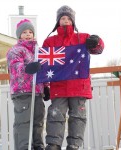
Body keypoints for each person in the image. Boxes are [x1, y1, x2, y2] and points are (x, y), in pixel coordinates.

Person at [42, 5, 104, 150]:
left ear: (73, 21)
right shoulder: (50, 42)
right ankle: (53, 145)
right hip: (59, 87)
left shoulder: (83, 38)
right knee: (55, 116)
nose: (66, 21)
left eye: (68, 18)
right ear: (58, 21)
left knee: (78, 117)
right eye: (63, 18)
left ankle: (74, 145)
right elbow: (44, 65)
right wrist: (45, 86)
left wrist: (97, 42)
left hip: (79, 86)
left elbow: (98, 49)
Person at [6, 19, 46, 150]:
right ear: (19, 35)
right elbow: (15, 67)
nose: (28, 34)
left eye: (30, 32)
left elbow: (43, 71)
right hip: (22, 92)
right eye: (24, 32)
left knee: (38, 121)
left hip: (37, 91)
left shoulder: (37, 51)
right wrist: (27, 67)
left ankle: (38, 145)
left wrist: (46, 86)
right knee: (24, 122)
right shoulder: (16, 50)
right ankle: (24, 147)